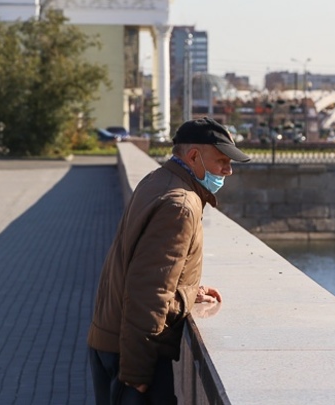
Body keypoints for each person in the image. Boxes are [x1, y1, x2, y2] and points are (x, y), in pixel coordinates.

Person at [87, 117, 251, 404]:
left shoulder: (158, 180)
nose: (229, 170)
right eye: (222, 160)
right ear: (193, 156)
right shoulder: (181, 204)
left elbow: (147, 267)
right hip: (133, 354)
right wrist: (137, 374)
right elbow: (149, 292)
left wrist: (188, 291)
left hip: (111, 338)